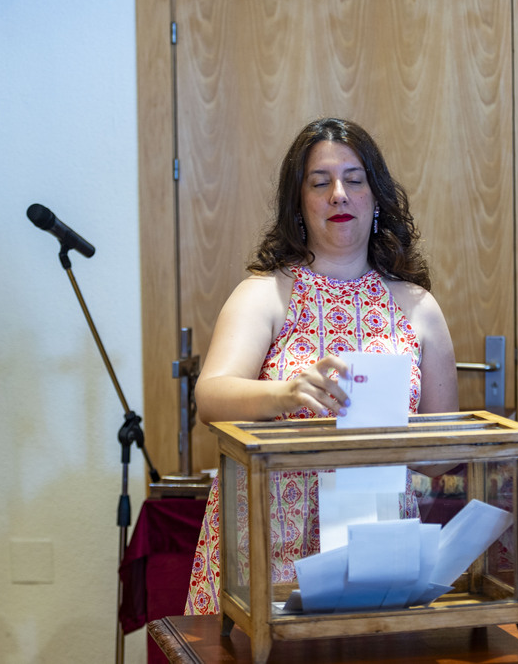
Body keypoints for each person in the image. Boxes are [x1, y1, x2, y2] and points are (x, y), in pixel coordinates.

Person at [185, 117, 458, 615]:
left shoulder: (418, 307)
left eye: (355, 180)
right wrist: (285, 394)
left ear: (376, 198)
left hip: (372, 540)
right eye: (320, 182)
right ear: (299, 203)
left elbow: (439, 455)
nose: (339, 194)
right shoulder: (265, 294)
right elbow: (210, 397)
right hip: (267, 539)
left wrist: (395, 436)